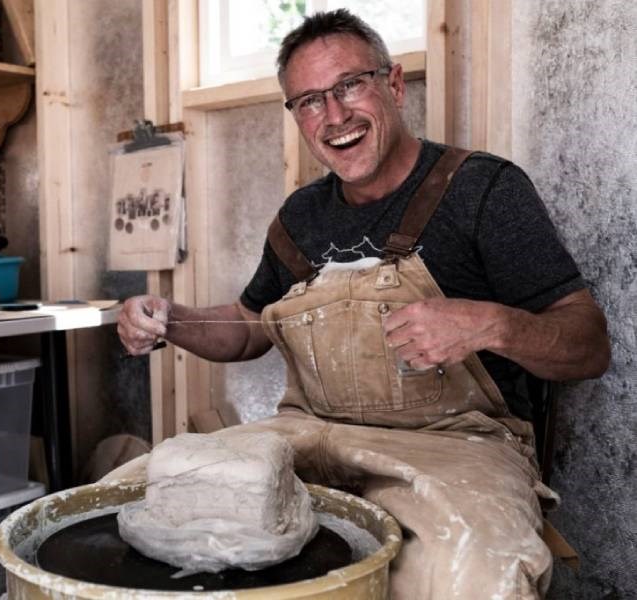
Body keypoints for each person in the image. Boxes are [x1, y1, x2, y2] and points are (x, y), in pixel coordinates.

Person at [116, 9, 610, 599]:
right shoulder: (300, 217)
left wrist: (489, 324)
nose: (334, 115)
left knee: (475, 573)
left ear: (394, 84)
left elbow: (588, 345)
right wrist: (170, 319)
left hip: (455, 447)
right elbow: (250, 327)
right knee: (135, 501)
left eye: (350, 84)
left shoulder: (482, 190)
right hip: (306, 435)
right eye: (308, 101)